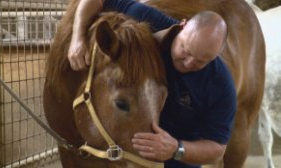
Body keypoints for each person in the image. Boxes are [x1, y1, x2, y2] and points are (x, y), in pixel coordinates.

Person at [68, 0, 237, 168]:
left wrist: (176, 149)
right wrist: (77, 37)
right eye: (185, 50)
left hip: (177, 157)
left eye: (201, 62)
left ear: (214, 58)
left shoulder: (220, 85)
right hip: (129, 147)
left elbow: (217, 149)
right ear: (182, 26)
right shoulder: (150, 21)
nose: (188, 63)